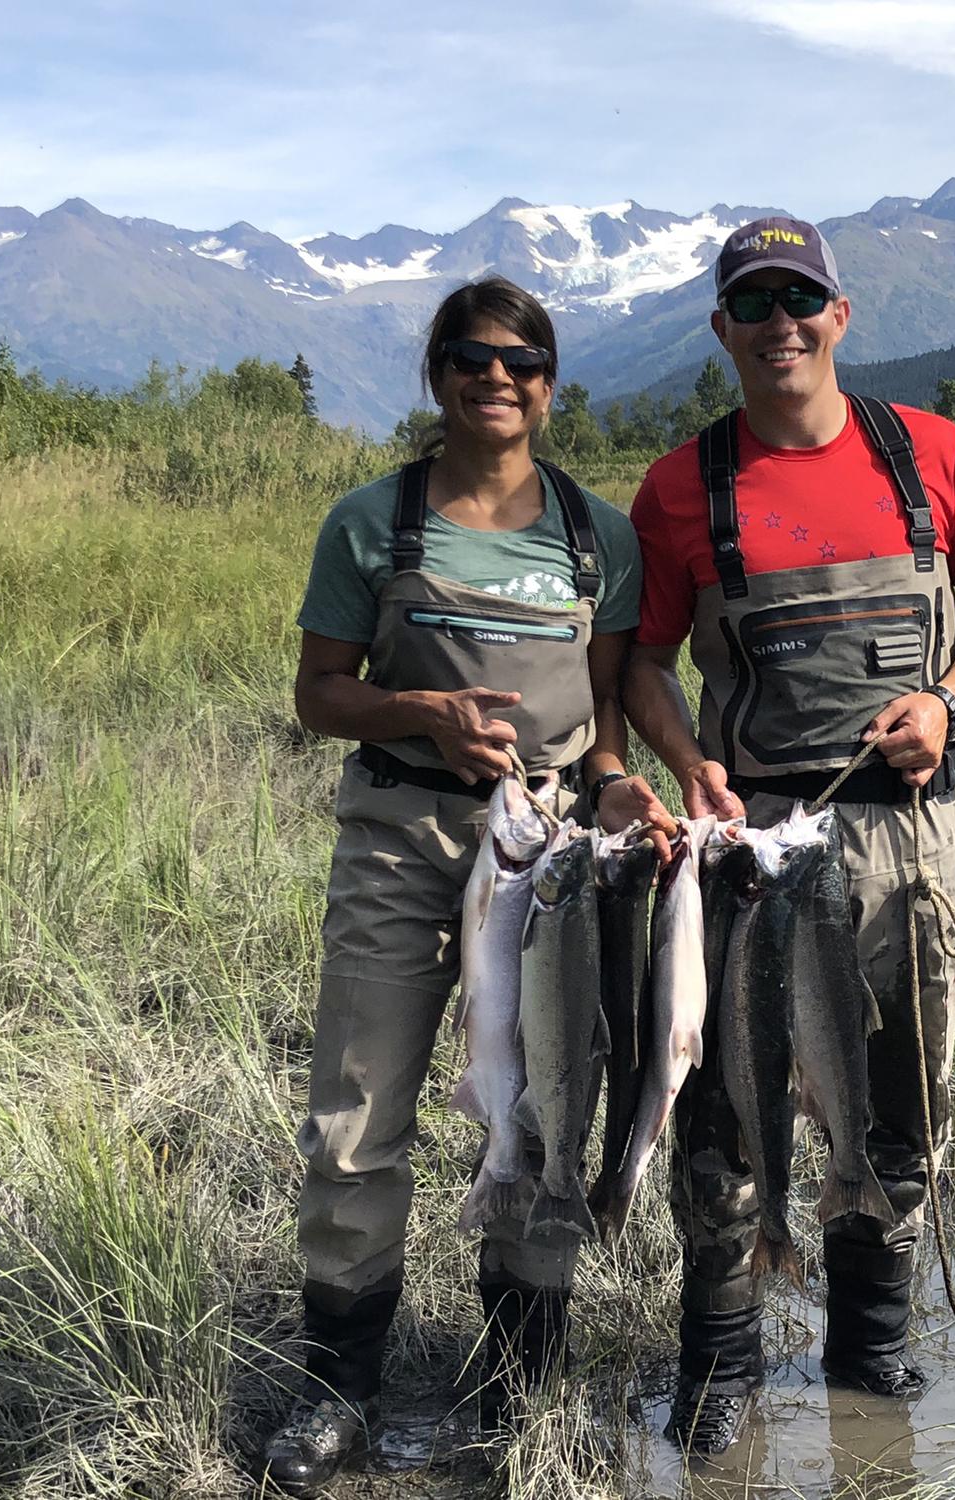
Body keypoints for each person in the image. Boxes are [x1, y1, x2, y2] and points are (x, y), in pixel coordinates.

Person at [623, 217, 955, 1454]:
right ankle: (721, 1368)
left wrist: (945, 701)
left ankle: (871, 1363)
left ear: (839, 316)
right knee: (719, 1112)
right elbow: (640, 661)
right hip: (746, 851)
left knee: (896, 1106)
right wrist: (683, 762)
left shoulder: (929, 455)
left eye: (799, 297)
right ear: (722, 333)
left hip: (907, 844)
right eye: (753, 303)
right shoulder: (678, 486)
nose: (779, 323)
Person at [262, 276, 675, 1496]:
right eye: (470, 358)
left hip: (549, 863)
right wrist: (420, 713)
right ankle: (338, 1384)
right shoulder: (370, 523)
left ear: (551, 382)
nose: (497, 378)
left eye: (523, 361)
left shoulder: (597, 534)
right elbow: (318, 694)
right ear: (436, 374)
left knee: (544, 1105)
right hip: (398, 839)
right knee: (357, 1109)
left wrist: (612, 784)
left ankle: (516, 1374)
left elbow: (605, 715)